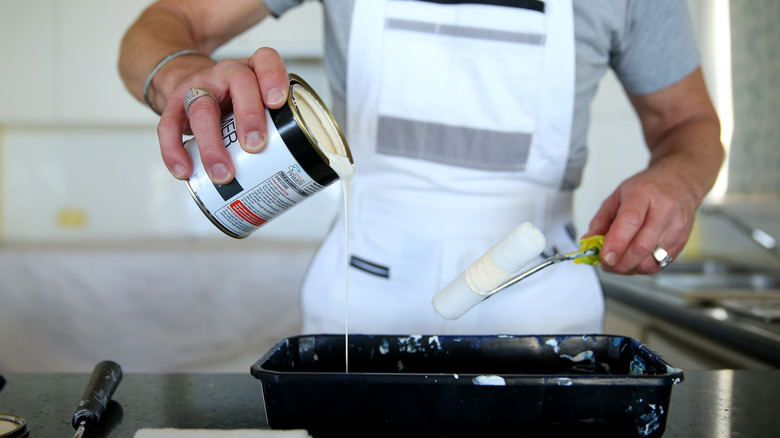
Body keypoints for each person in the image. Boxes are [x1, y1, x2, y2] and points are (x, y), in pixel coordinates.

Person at [119, 0, 723, 335]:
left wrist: (680, 177)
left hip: (544, 309)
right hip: (361, 300)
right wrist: (181, 74)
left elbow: (689, 124)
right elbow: (164, 25)